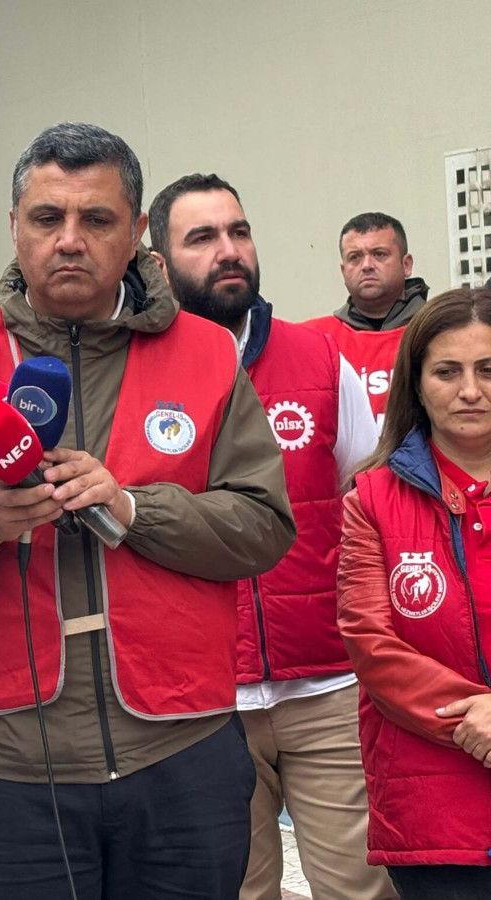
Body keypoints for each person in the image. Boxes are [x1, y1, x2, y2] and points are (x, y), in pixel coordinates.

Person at [0, 122, 295, 898]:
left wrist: (133, 509)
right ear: (14, 228)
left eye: (96, 219)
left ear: (136, 232)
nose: (69, 240)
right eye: (47, 218)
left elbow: (264, 528)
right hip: (12, 776)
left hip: (184, 755)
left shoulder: (207, 355)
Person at [147, 173, 394, 900]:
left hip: (329, 688)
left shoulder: (319, 360)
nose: (229, 251)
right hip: (204, 700)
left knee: (362, 889)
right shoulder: (136, 374)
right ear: (158, 263)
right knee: (236, 890)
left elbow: (374, 506)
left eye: (239, 232)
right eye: (202, 237)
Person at [338, 286, 491, 898]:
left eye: (488, 370)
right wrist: (479, 718)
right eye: (447, 372)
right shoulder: (371, 499)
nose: (470, 390)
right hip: (431, 809)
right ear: (416, 384)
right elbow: (371, 644)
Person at [302, 213, 429, 428]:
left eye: (379, 254)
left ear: (406, 265)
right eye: (355, 257)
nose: (367, 265)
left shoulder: (441, 330)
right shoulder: (312, 339)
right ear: (343, 271)